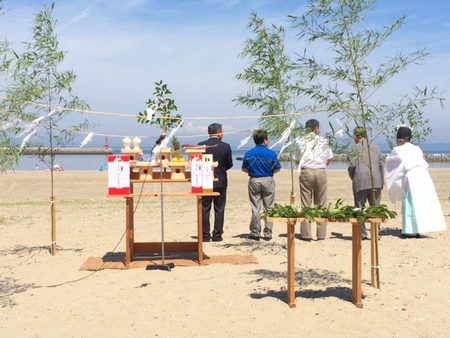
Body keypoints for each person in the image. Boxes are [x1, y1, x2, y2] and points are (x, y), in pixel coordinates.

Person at [386, 126, 447, 237]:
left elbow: (393, 165)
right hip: (423, 175)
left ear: (400, 140)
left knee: (410, 202)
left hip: (411, 176)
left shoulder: (398, 150)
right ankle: (419, 228)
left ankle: (409, 230)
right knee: (421, 203)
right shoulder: (417, 148)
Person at [295, 119, 333, 241]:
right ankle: (321, 234)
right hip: (320, 171)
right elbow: (328, 159)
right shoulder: (323, 141)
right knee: (321, 203)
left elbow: (297, 160)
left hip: (306, 171)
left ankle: (306, 234)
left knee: (306, 203)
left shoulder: (301, 141)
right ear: (316, 128)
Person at [242, 129, 281, 241]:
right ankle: (268, 233)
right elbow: (277, 169)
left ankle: (255, 231)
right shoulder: (272, 153)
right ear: (265, 140)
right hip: (268, 179)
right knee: (269, 207)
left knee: (255, 207)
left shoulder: (249, 153)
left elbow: (244, 168)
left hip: (254, 179)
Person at [198, 123, 233, 242]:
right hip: (221, 181)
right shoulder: (226, 146)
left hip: (205, 180)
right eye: (222, 131)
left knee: (204, 208)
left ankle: (204, 234)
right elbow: (229, 165)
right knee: (219, 208)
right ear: (219, 132)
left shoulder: (200, 146)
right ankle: (217, 234)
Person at [347, 127, 384, 240]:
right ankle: (376, 232)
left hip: (360, 180)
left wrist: (353, 177)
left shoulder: (353, 149)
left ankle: (363, 234)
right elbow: (381, 166)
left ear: (356, 136)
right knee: (375, 208)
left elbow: (352, 166)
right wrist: (381, 181)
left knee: (360, 208)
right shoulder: (376, 148)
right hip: (376, 180)